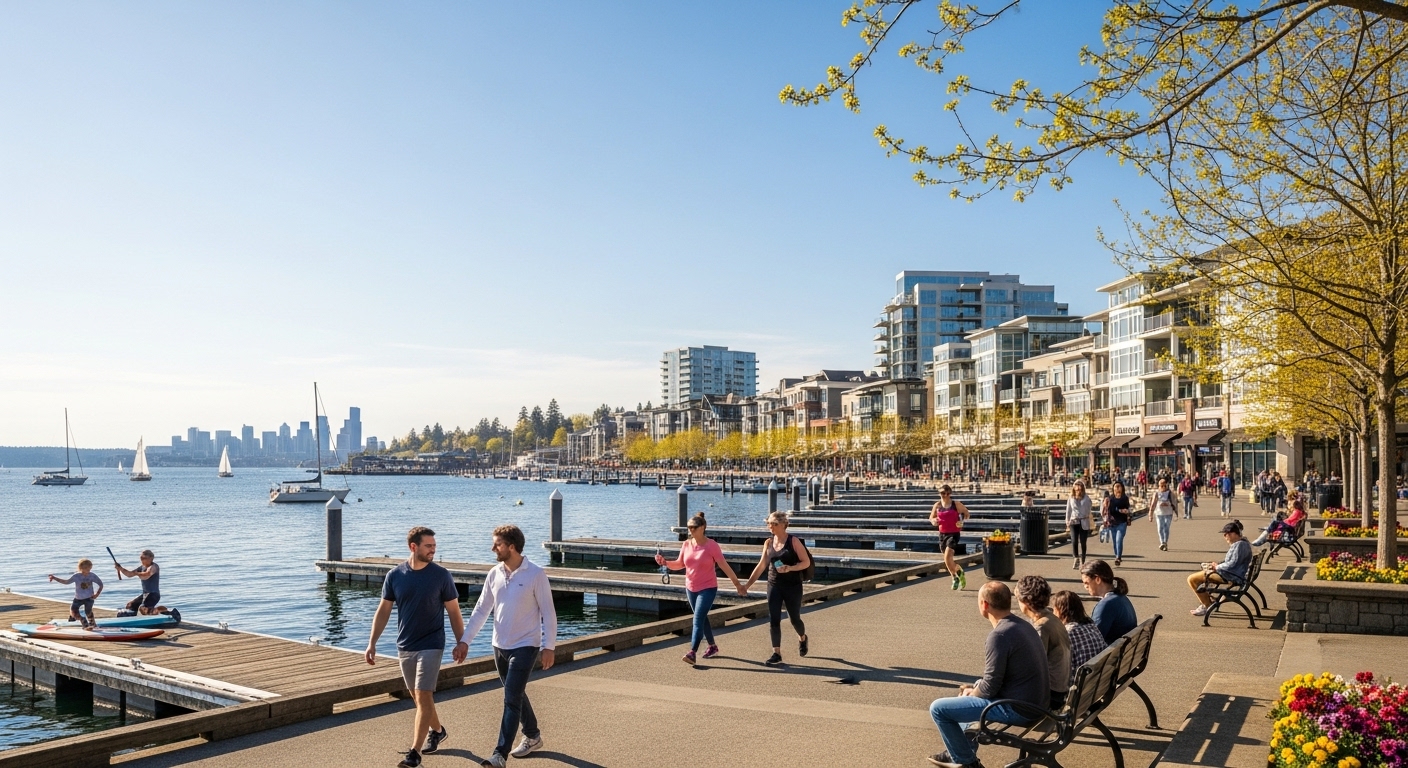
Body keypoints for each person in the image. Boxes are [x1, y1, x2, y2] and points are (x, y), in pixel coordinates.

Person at [457, 524, 558, 768]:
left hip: (526, 645)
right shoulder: (495, 573)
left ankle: (499, 755)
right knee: (516, 693)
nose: (493, 548)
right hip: (499, 645)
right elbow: (481, 609)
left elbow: (548, 612)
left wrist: (549, 646)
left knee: (511, 698)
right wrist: (465, 640)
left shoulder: (535, 574)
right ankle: (532, 735)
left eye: (497, 544)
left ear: (511, 547)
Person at [366, 527, 466, 768]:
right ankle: (438, 731)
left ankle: (415, 754)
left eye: (434, 546)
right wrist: (372, 643)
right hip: (405, 644)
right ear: (413, 547)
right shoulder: (395, 575)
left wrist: (462, 642)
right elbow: (383, 610)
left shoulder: (441, 575)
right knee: (418, 697)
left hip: (432, 643)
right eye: (428, 546)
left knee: (423, 695)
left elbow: (454, 611)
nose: (433, 550)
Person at [926, 582, 1048, 768]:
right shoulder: (1023, 625)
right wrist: (976, 690)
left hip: (1019, 709)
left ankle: (966, 761)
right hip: (1035, 704)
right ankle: (957, 751)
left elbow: (990, 686)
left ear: (984, 604)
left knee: (939, 709)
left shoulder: (999, 635)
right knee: (969, 695)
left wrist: (972, 694)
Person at [655, 513, 745, 664]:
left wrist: (737, 584)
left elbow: (724, 565)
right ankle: (712, 646)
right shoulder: (686, 544)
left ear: (702, 527)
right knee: (701, 617)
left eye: (693, 527)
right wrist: (665, 563)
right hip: (690, 587)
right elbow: (680, 564)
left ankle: (692, 652)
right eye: (689, 527)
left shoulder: (712, 545)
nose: (690, 530)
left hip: (708, 587)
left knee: (697, 619)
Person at [742, 511, 811, 666]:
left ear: (783, 524)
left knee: (794, 619)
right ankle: (776, 653)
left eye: (774, 524)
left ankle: (802, 638)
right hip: (774, 584)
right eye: (769, 523)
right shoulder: (768, 542)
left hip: (792, 585)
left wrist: (790, 568)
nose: (770, 527)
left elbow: (805, 562)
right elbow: (761, 565)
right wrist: (747, 585)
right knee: (774, 619)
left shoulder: (793, 541)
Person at [1015, 576, 1071, 711]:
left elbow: (1033, 666)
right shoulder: (1052, 618)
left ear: (1025, 602)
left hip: (1049, 695)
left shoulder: (1041, 627)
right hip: (1060, 689)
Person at [1188, 520, 1253, 617]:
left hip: (1231, 576)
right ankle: (1207, 602)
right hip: (1235, 574)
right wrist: (1218, 565)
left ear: (1234, 534)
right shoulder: (1243, 543)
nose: (1225, 536)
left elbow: (1232, 563)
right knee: (1202, 573)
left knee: (1192, 579)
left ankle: (1206, 605)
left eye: (1227, 534)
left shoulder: (1239, 545)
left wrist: (1217, 567)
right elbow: (1233, 562)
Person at [1051, 590, 1107, 687]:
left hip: (1077, 688)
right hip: (1098, 681)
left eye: (1054, 609)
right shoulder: (1090, 625)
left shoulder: (1067, 633)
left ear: (1060, 611)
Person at [1080, 560, 1136, 643]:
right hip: (1123, 649)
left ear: (1097, 579)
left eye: (1086, 583)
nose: (1085, 587)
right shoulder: (1122, 598)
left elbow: (1093, 640)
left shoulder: (1106, 605)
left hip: (1110, 650)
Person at [929, 485, 971, 590]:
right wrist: (934, 521)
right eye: (943, 493)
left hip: (954, 534)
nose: (945, 496)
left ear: (950, 494)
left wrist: (961, 521)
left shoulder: (956, 504)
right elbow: (931, 517)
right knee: (947, 559)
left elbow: (966, 513)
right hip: (942, 534)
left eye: (947, 493)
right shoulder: (937, 505)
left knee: (947, 557)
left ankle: (954, 578)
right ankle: (958, 571)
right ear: (939, 494)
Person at [50, 559, 103, 629]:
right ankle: (84, 622)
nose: (88, 570)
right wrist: (54, 578)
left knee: (88, 612)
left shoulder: (92, 575)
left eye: (89, 568)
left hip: (89, 598)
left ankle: (92, 624)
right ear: (81, 568)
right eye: (86, 568)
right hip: (78, 599)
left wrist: (97, 594)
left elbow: (101, 584)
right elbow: (66, 582)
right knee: (73, 613)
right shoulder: (76, 576)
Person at [112, 550, 161, 616]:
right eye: (141, 558)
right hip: (145, 594)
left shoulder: (154, 567)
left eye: (144, 558)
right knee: (130, 605)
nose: (142, 560)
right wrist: (120, 568)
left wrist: (137, 573)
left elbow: (146, 575)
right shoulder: (141, 567)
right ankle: (131, 615)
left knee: (143, 609)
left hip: (153, 595)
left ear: (151, 558)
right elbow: (129, 574)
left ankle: (161, 612)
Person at [1065, 482, 1094, 570]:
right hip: (1074, 521)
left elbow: (1089, 508)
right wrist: (1067, 520)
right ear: (1074, 489)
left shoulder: (1086, 498)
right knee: (1074, 540)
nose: (1078, 491)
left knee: (1083, 542)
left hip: (1084, 521)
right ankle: (1076, 557)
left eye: (1080, 489)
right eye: (1076, 489)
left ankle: (1083, 560)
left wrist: (1084, 514)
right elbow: (1068, 510)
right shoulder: (1071, 498)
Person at [1105, 481, 1133, 566]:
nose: (1117, 488)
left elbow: (1128, 508)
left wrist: (1127, 511)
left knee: (1119, 539)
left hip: (1122, 522)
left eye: (1119, 486)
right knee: (1114, 541)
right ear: (1113, 488)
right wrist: (1120, 510)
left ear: (1122, 488)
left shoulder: (1125, 498)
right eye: (1116, 486)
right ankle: (1116, 555)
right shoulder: (1110, 499)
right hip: (1112, 523)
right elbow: (1110, 510)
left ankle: (1118, 557)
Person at [1148, 478, 1177, 552]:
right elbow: (1153, 503)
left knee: (1166, 528)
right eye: (1161, 486)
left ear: (1167, 485)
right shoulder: (1156, 493)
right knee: (1160, 528)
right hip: (1159, 512)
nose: (1163, 487)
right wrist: (1150, 514)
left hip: (1168, 512)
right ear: (1159, 486)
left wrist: (1176, 512)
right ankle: (1162, 542)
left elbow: (1174, 502)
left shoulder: (1170, 493)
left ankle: (1165, 542)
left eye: (1164, 486)